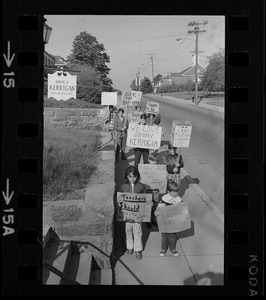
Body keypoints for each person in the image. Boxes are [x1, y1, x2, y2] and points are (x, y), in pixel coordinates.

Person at [119, 166, 146, 260]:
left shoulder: (141, 186)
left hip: (137, 213)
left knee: (138, 231)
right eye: (130, 176)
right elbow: (120, 199)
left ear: (137, 176)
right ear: (127, 176)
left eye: (134, 176)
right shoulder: (123, 186)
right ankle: (130, 246)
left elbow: (144, 199)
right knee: (128, 230)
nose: (132, 178)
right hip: (127, 214)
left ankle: (138, 249)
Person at [155, 181, 182, 257]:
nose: (175, 193)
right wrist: (157, 211)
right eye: (173, 192)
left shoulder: (179, 199)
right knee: (164, 235)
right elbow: (160, 206)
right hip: (164, 220)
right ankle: (163, 249)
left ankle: (172, 248)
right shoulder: (164, 198)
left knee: (172, 235)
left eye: (177, 191)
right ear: (168, 191)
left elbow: (181, 209)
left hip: (173, 220)